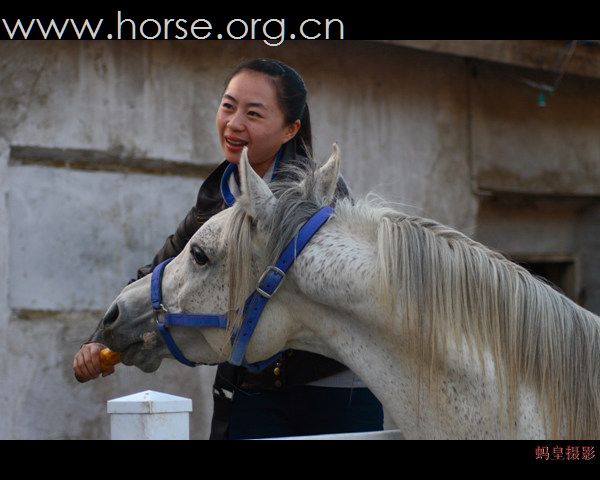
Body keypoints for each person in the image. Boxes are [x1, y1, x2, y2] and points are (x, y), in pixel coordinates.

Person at [73, 58, 384, 439]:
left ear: (291, 129)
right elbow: (159, 273)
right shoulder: (215, 197)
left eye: (253, 113)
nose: (234, 124)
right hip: (248, 388)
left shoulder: (318, 194)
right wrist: (101, 338)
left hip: (332, 390)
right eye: (228, 106)